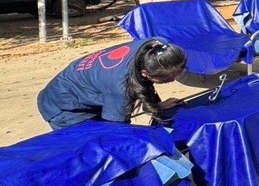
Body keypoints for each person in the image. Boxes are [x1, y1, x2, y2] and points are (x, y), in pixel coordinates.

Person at [37, 40, 187, 130]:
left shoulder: (156, 47)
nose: (173, 80)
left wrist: (158, 105)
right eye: (167, 78)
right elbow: (116, 129)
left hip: (90, 87)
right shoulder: (120, 88)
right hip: (63, 107)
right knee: (93, 149)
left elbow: (143, 85)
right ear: (144, 73)